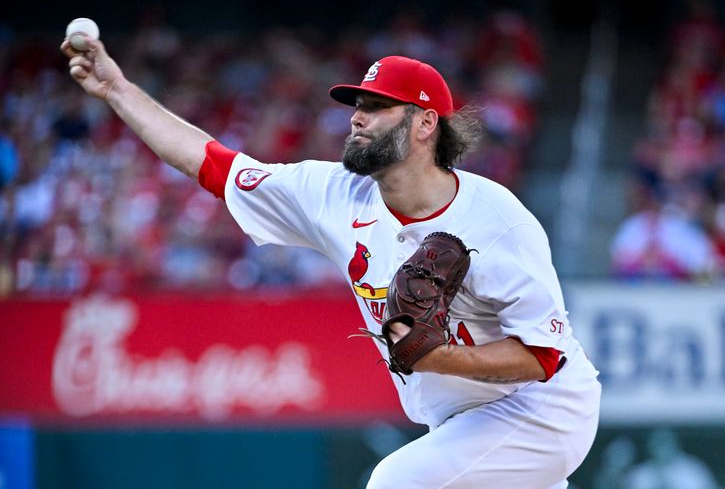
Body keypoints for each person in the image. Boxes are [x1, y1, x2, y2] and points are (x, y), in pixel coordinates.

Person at [62, 33, 601, 488]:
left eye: (375, 107)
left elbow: (544, 357)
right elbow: (212, 165)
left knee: (393, 484)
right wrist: (117, 89)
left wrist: (439, 358)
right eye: (356, 107)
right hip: (457, 422)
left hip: (539, 411)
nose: (356, 119)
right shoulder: (335, 194)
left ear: (425, 123)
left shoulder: (496, 219)